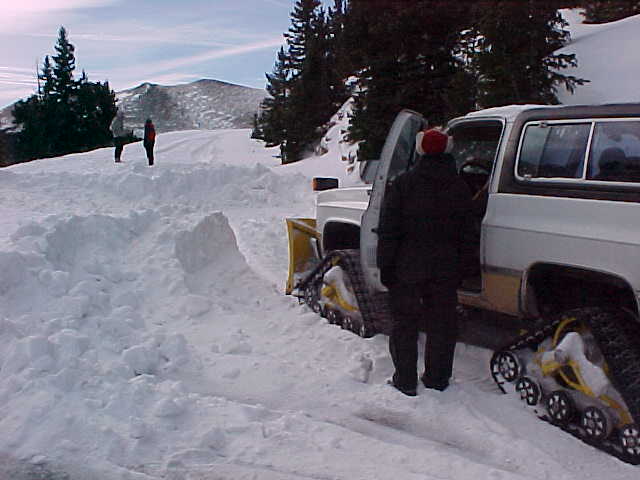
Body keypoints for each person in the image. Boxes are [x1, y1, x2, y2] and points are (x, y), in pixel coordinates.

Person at [377, 128, 476, 396]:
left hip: (407, 267)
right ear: (448, 150)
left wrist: (385, 266)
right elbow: (468, 232)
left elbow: (388, 229)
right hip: (445, 267)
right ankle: (437, 379)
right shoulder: (459, 187)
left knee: (404, 324)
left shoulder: (403, 183)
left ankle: (405, 381)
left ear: (419, 150)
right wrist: (466, 268)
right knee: (442, 324)